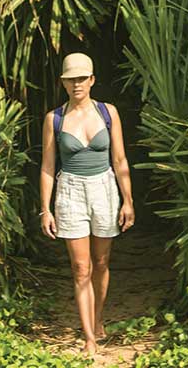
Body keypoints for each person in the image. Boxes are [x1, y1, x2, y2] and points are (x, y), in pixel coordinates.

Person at [40, 52, 135, 356]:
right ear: (63, 83)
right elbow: (47, 167)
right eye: (71, 79)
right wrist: (46, 208)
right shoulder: (54, 118)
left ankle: (98, 317)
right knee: (81, 267)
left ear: (92, 80)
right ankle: (89, 338)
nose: (76, 83)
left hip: (105, 188)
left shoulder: (108, 113)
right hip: (70, 191)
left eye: (82, 78)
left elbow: (120, 159)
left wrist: (127, 201)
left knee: (101, 262)